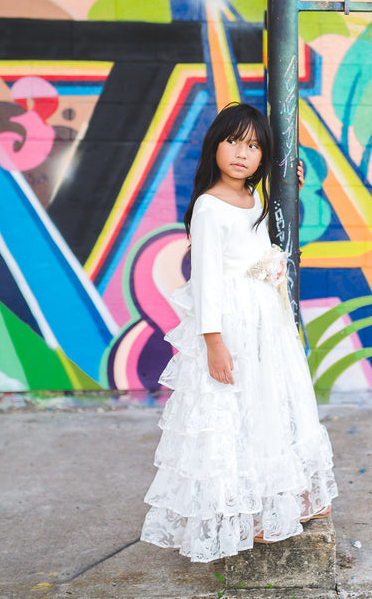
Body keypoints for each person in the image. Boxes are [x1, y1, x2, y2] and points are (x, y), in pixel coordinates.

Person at [140, 102, 337, 562]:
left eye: (253, 146)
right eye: (234, 141)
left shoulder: (256, 198)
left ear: (263, 156)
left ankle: (285, 498)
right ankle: (244, 512)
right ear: (216, 146)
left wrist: (291, 190)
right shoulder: (209, 206)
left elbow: (266, 241)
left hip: (265, 320)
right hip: (231, 323)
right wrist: (213, 342)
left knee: (270, 406)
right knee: (235, 411)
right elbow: (205, 279)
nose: (242, 153)